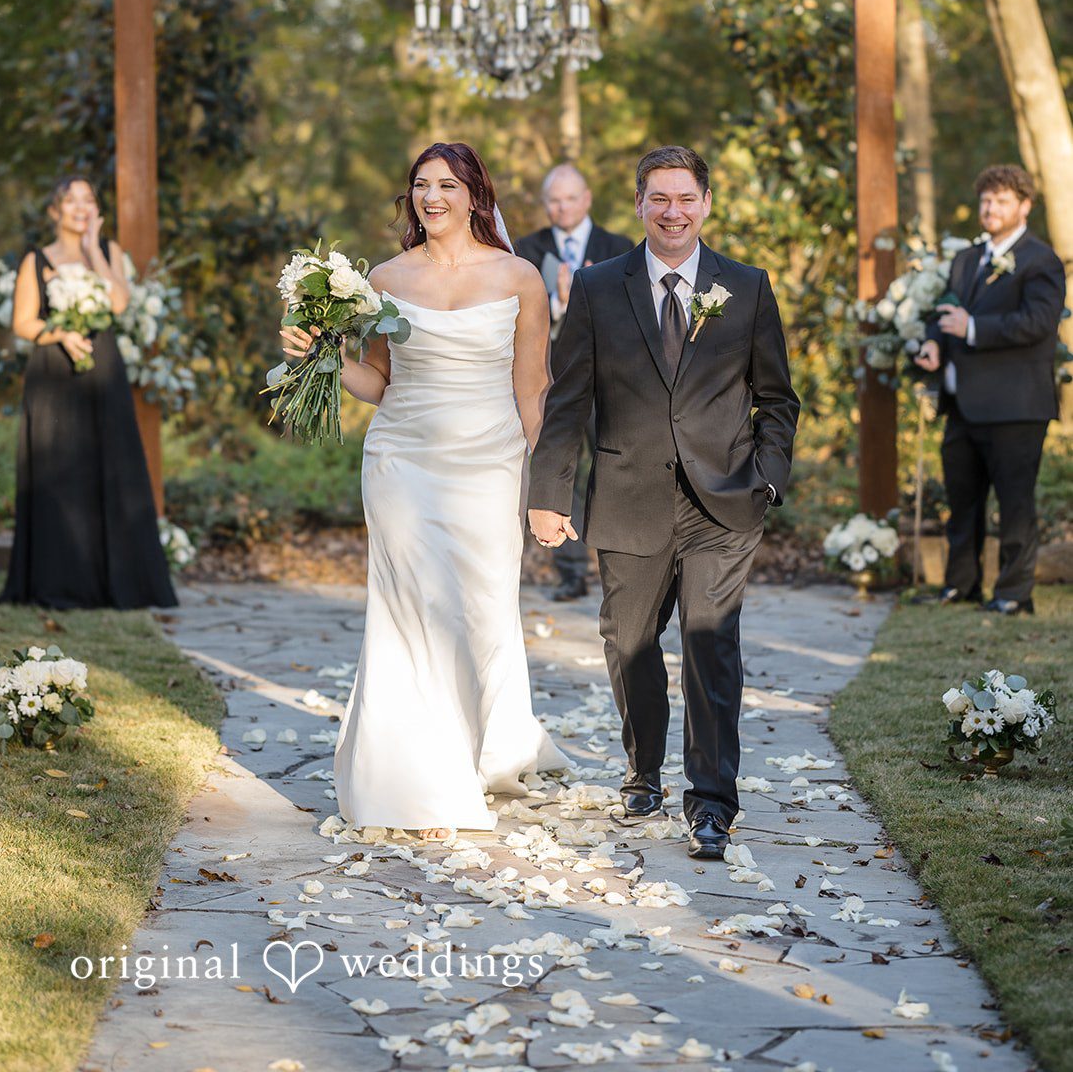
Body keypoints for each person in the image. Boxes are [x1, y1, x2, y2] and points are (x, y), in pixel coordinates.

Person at [280, 142, 568, 842]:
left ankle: (491, 745)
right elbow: (377, 384)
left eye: (446, 184)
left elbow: (533, 392)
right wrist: (321, 355)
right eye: (419, 185)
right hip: (402, 463)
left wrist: (553, 489)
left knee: (482, 606)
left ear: (476, 195)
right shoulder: (384, 277)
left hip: (491, 466)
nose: (431, 196)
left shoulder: (520, 276)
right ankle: (411, 774)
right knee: (407, 609)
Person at [527, 145, 799, 860]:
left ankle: (711, 801)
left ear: (706, 203)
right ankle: (642, 768)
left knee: (711, 646)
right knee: (631, 645)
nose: (673, 212)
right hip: (626, 497)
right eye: (659, 199)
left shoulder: (746, 286)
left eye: (686, 198)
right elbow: (567, 402)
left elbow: (777, 398)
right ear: (640, 205)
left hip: (724, 504)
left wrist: (767, 476)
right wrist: (549, 493)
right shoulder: (594, 287)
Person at [0, 175, 178, 611]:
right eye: (71, 200)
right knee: (58, 471)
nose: (80, 207)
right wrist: (60, 333)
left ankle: (111, 582)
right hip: (53, 371)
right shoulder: (36, 260)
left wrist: (95, 247)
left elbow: (118, 304)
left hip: (102, 368)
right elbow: (23, 322)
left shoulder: (108, 251)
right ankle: (59, 580)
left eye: (88, 199)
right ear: (55, 211)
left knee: (110, 465)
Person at [914, 163, 1065, 616]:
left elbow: (1038, 324)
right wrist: (933, 343)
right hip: (962, 403)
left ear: (1024, 205)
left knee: (1015, 504)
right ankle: (962, 584)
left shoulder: (1041, 261)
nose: (990, 208)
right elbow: (946, 311)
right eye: (985, 200)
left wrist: (974, 327)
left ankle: (1014, 594)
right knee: (962, 500)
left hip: (1016, 406)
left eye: (1000, 200)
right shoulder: (965, 259)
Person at [514, 165, 633, 600]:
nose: (562, 207)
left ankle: (619, 564)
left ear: (586, 199)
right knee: (556, 468)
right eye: (553, 200)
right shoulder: (527, 249)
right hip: (549, 378)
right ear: (546, 205)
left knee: (612, 467)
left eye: (569, 198)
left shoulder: (618, 248)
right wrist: (557, 304)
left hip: (607, 379)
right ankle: (570, 570)